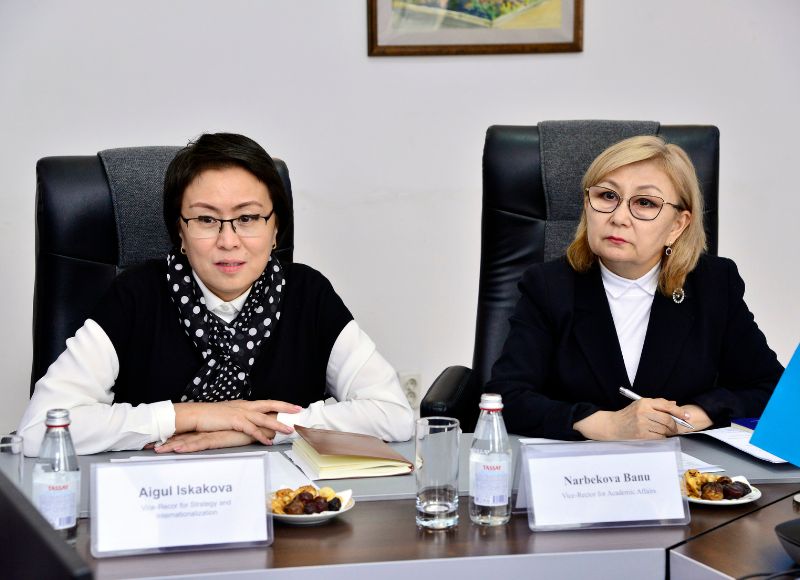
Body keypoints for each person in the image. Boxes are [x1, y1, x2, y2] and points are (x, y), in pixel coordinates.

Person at [19, 133, 414, 455]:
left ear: (276, 229)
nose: (228, 241)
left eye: (248, 218)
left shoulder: (307, 294)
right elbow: (40, 430)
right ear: (180, 231)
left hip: (281, 508)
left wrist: (259, 427)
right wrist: (188, 416)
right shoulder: (135, 295)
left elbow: (394, 415)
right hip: (157, 499)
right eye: (206, 219)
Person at [486, 135, 783, 441]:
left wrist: (690, 416)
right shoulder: (548, 286)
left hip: (684, 465)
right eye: (607, 196)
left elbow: (771, 388)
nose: (618, 218)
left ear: (677, 225)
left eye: (645, 203)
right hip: (579, 465)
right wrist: (607, 425)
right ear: (587, 204)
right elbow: (505, 398)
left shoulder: (714, 284)